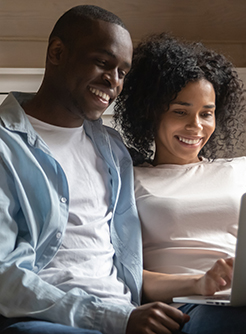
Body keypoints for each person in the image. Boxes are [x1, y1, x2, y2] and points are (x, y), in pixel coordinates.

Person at [113, 33, 246, 333]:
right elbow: (126, 275)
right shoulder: (129, 180)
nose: (196, 126)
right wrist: (198, 282)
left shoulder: (244, 169)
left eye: (207, 113)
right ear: (151, 112)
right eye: (181, 112)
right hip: (189, 307)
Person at [0, 6, 189, 334]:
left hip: (128, 312)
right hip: (46, 321)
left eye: (123, 72)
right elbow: (4, 277)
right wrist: (116, 320)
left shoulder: (113, 149)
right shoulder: (5, 145)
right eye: (103, 63)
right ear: (57, 53)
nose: (113, 82)